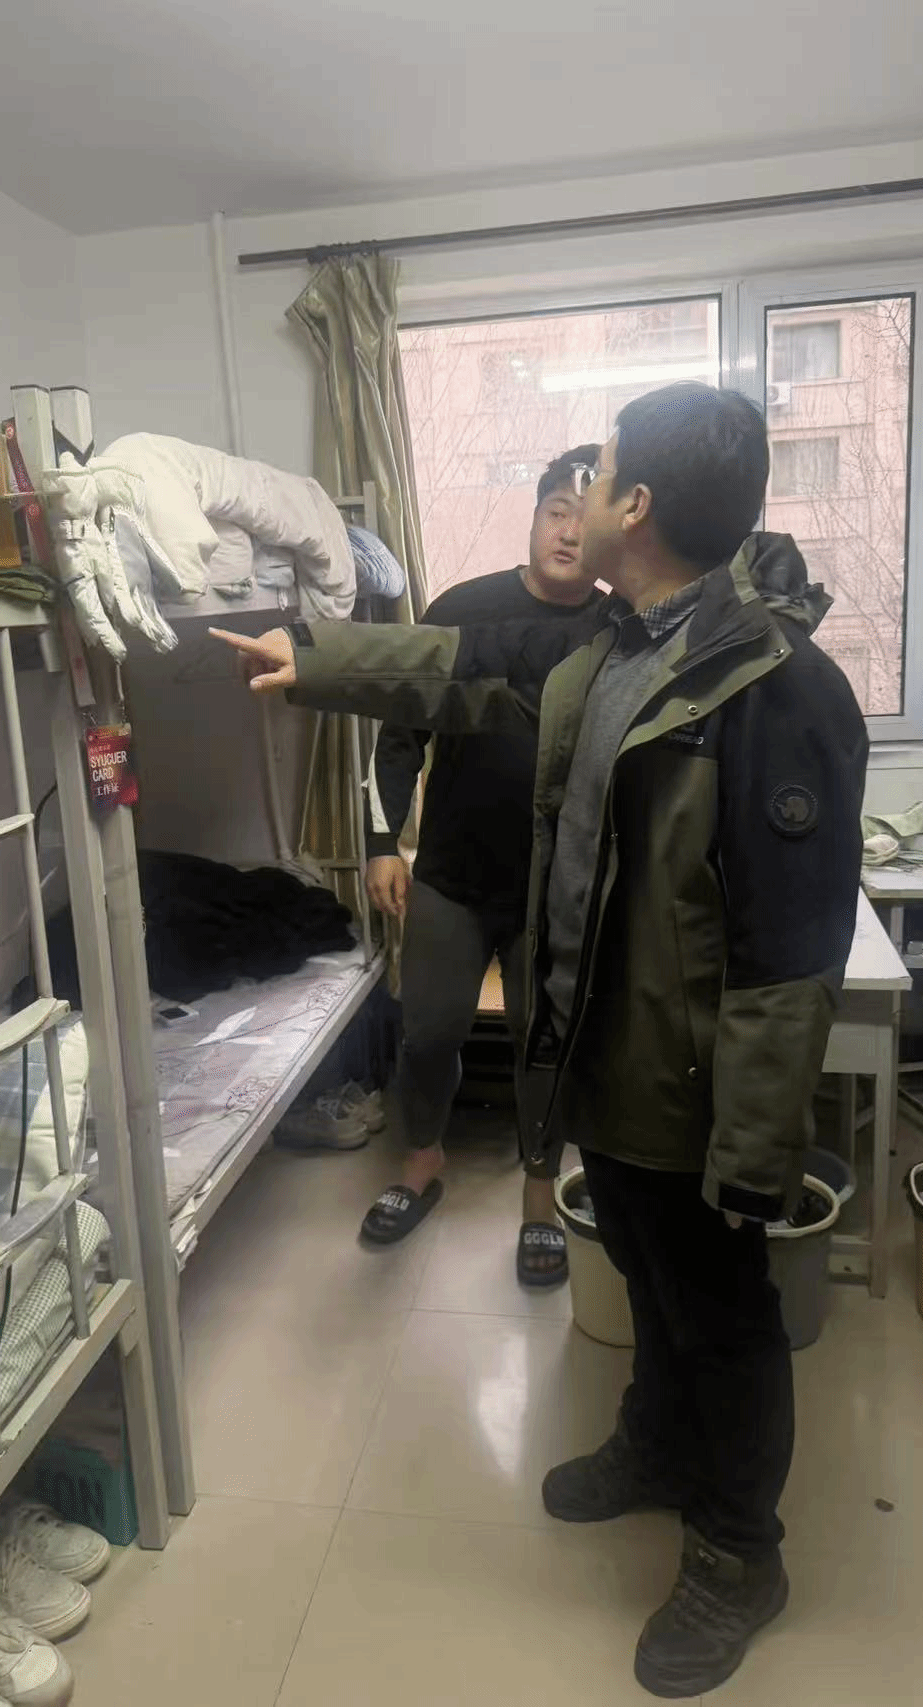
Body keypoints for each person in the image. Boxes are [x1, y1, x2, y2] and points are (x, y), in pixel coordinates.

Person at [212, 382, 866, 1698]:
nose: (581, 492)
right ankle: (655, 1447)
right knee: (647, 1279)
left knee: (722, 1314)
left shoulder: (778, 688)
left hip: (697, 1084)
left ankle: (739, 1552)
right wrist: (314, 657)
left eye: (601, 472)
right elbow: (464, 663)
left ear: (638, 506)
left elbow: (794, 950)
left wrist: (754, 1151)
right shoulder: (615, 648)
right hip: (607, 1052)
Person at [361, 443, 602, 1281]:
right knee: (428, 1029)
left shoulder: (614, 631)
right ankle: (422, 1160)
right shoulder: (464, 609)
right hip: (452, 875)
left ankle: (540, 1192)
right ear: (534, 517)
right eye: (557, 513)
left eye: (585, 521)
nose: (568, 533)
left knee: (545, 1043)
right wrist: (381, 842)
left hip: (555, 888)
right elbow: (399, 730)